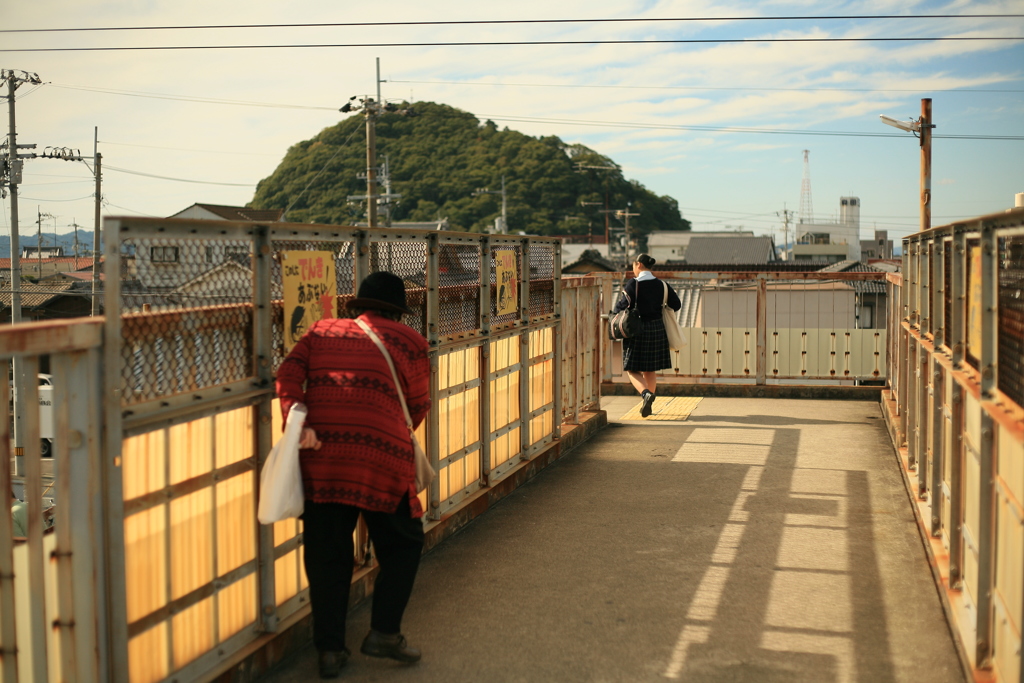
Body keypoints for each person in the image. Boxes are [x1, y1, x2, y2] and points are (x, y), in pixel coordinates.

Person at [276, 271, 431, 679]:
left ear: (357, 305)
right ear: (398, 312)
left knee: (328, 557)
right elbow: (417, 405)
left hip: (322, 460)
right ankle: (383, 633)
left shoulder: (321, 330)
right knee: (403, 545)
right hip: (382, 460)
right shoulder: (412, 343)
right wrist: (383, 429)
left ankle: (329, 650)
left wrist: (296, 415)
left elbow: (287, 374)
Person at [612, 254, 681, 417]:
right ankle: (649, 403)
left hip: (637, 329)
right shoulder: (662, 285)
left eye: (633, 266)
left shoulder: (633, 284)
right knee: (650, 370)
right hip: (657, 328)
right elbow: (676, 304)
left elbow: (620, 307)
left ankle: (645, 394)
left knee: (632, 369)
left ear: (639, 265)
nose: (633, 269)